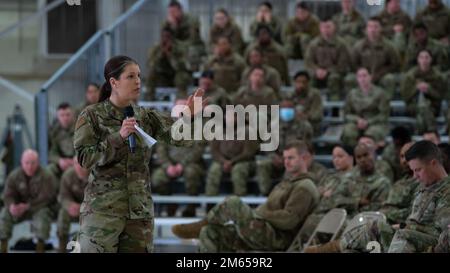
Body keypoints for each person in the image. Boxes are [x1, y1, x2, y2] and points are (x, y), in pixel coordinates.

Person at [73, 55, 205, 253]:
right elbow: (85, 158)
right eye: (131, 76)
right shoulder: (91, 115)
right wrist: (119, 137)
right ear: (114, 82)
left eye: (139, 76)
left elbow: (179, 138)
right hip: (102, 213)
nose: (138, 81)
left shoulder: (144, 116)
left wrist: (189, 117)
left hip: (138, 212)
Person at [171, 141, 320, 252]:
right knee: (210, 232)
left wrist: (259, 215)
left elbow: (289, 220)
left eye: (291, 158)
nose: (286, 162)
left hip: (278, 238)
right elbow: (267, 208)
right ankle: (203, 227)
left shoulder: (304, 187)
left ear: (305, 158)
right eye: (285, 158)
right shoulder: (288, 182)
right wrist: (256, 215)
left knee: (234, 203)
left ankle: (201, 224)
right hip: (265, 229)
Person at [306, 141, 450, 253]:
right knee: (371, 230)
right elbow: (414, 220)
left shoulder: (446, 191)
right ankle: (327, 249)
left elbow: (441, 233)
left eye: (418, 170)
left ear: (433, 163)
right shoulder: (424, 186)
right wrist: (401, 226)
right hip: (411, 234)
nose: (415, 176)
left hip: (427, 241)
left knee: (401, 236)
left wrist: (405, 229)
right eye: (413, 171)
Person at [0, 150, 56, 253]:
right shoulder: (14, 176)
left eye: (33, 163)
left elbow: (47, 197)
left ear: (38, 162)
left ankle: (40, 248)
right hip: (19, 210)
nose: (30, 166)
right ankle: (3, 247)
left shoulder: (47, 176)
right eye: (27, 163)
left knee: (43, 216)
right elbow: (8, 195)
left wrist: (27, 206)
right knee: (4, 213)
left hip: (38, 208)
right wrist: (11, 206)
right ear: (22, 162)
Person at [346, 16, 400, 99]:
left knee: (389, 79)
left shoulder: (389, 46)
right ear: (366, 29)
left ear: (380, 29)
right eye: (370, 26)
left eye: (376, 27)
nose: (373, 30)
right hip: (362, 77)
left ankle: (386, 103)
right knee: (349, 79)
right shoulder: (359, 46)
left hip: (381, 76)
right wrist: (363, 75)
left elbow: (394, 64)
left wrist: (379, 74)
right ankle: (354, 102)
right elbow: (353, 63)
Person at [304, 16, 351, 100]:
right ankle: (311, 103)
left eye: (328, 27)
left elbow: (343, 64)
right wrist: (316, 70)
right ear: (320, 28)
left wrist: (328, 71)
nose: (326, 30)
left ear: (334, 27)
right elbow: (308, 62)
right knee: (308, 78)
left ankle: (334, 106)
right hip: (317, 74)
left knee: (334, 78)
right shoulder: (314, 44)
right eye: (323, 27)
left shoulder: (341, 44)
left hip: (335, 74)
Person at [400, 49, 446, 134]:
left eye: (426, 57)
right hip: (414, 106)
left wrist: (429, 89)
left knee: (424, 105)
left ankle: (420, 130)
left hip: (433, 107)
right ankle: (432, 130)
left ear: (431, 59)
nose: (424, 60)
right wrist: (416, 88)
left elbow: (441, 96)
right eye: (421, 57)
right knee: (423, 105)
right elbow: (405, 97)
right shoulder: (410, 76)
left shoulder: (438, 76)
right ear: (418, 59)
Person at [342, 67, 389, 147]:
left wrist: (368, 122)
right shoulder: (352, 94)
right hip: (356, 122)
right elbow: (346, 113)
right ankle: (353, 155)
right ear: (357, 79)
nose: (362, 79)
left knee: (370, 135)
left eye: (364, 76)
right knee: (348, 132)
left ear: (370, 77)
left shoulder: (380, 93)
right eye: (359, 76)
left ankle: (370, 157)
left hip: (375, 123)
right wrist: (357, 120)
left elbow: (384, 115)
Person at [56, 156, 88, 253]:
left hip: (89, 210)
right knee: (62, 213)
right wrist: (69, 205)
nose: (79, 167)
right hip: (73, 210)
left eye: (82, 164)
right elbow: (62, 196)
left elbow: (99, 198)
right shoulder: (68, 175)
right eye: (76, 164)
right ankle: (62, 247)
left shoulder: (95, 175)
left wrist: (82, 208)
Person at [48, 103, 76, 184]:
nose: (65, 118)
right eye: (62, 115)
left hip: (78, 162)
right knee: (50, 169)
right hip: (62, 162)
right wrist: (59, 161)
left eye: (68, 115)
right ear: (58, 117)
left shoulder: (81, 128)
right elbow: (52, 153)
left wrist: (75, 161)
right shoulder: (54, 132)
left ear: (73, 115)